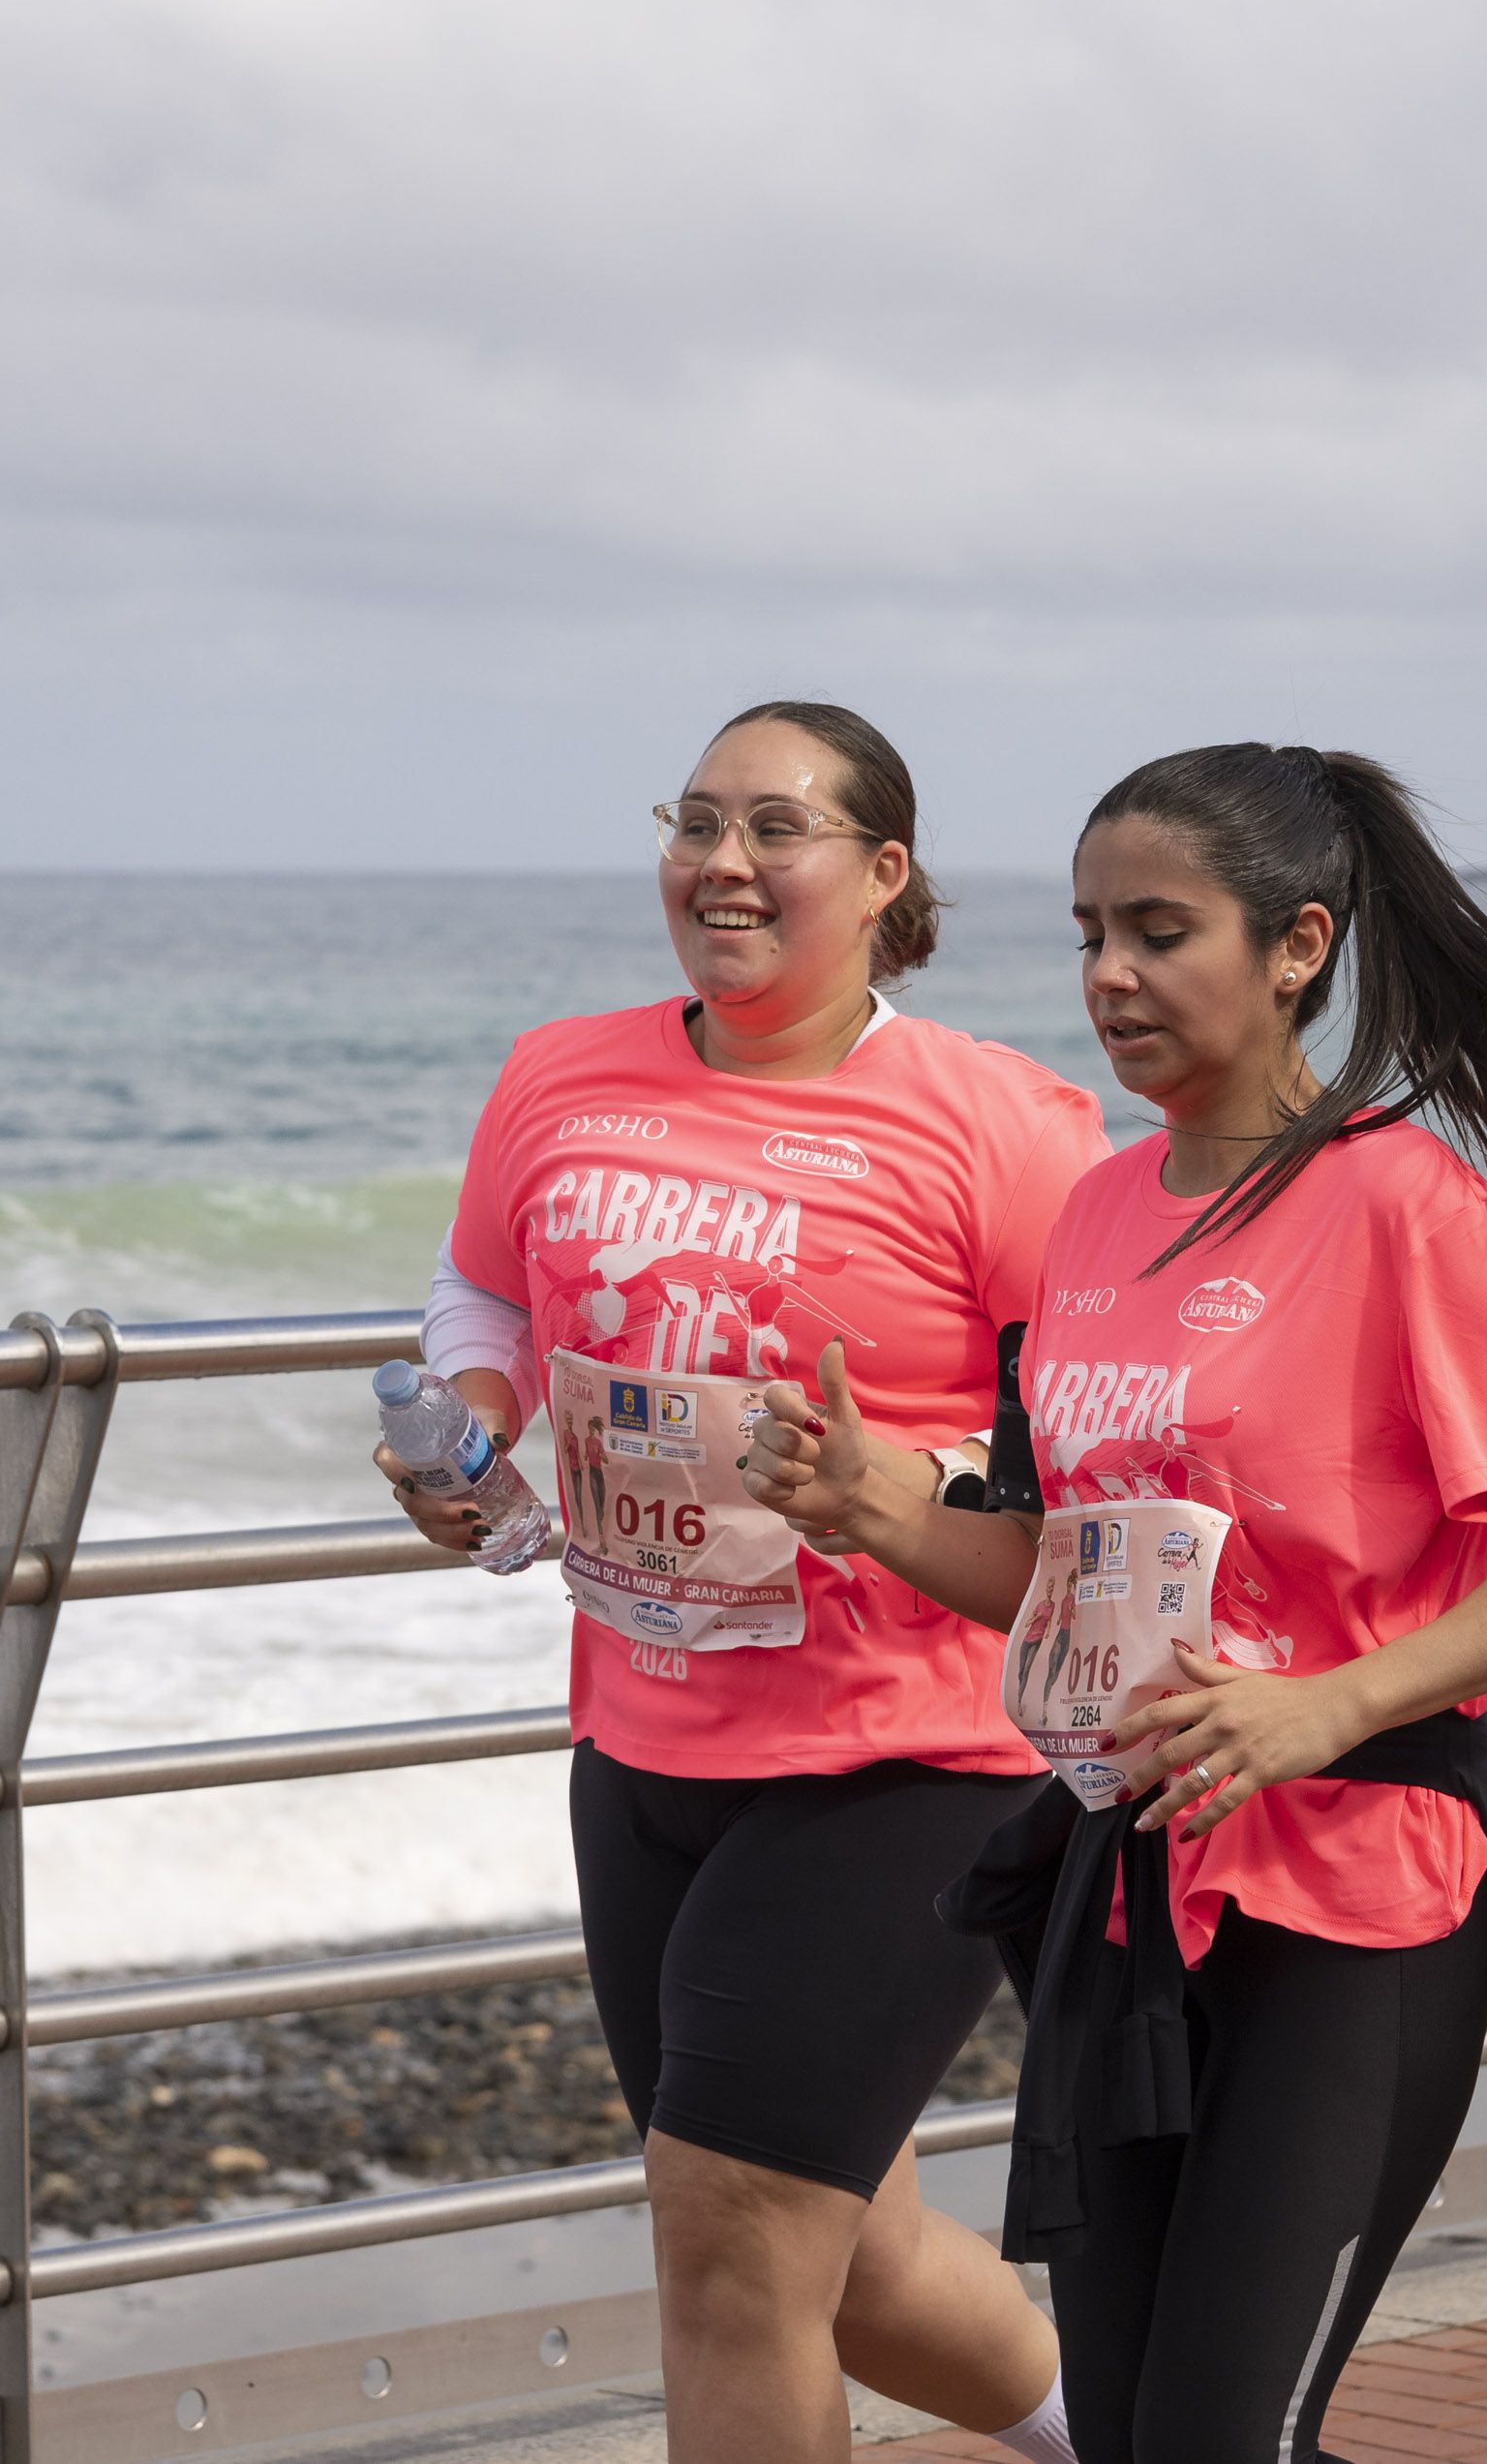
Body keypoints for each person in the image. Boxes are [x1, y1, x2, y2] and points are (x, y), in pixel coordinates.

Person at [738, 742, 1487, 2464]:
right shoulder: (1099, 1217)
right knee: (1129, 2438)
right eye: (1091, 934)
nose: (1111, 976)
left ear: (1299, 945)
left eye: (1161, 933)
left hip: (1358, 1902)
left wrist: (1327, 1701)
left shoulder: (1409, 1205)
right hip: (1130, 1895)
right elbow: (1058, 1566)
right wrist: (871, 1503)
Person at [378, 702, 1107, 2464]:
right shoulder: (559, 1071)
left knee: (722, 2243)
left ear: (882, 873)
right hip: (643, 1735)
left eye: (775, 827)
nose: (721, 861)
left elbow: (1103, 1430)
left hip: (906, 1756)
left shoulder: (1003, 1125)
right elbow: (483, 1293)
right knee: (836, 2260)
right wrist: (462, 1427)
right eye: (694, 820)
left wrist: (900, 1486)